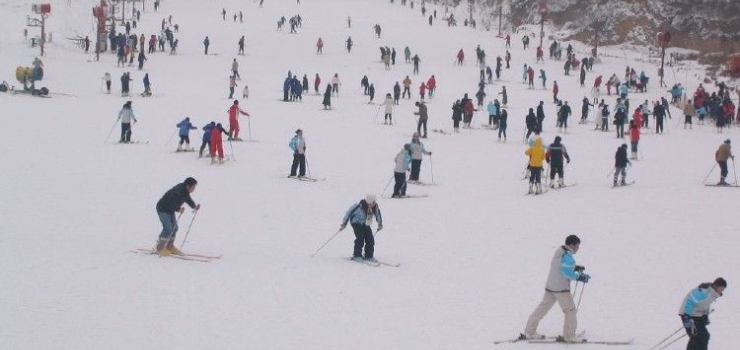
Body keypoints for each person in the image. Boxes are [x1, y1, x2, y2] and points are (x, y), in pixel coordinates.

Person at [522, 235, 589, 343]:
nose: (578, 248)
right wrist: (580, 276)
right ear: (572, 244)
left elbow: (560, 267)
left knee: (542, 308)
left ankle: (530, 331)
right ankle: (569, 335)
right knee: (570, 310)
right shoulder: (568, 257)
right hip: (561, 289)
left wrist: (575, 268)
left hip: (550, 287)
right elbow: (566, 272)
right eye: (577, 245)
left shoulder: (559, 253)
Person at [155, 178, 200, 256]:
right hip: (162, 209)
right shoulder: (177, 192)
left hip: (170, 210)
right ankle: (160, 248)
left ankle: (170, 246)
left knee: (174, 228)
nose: (194, 189)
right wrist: (179, 209)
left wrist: (194, 206)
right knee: (168, 228)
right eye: (193, 187)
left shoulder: (185, 191)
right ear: (188, 186)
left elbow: (187, 199)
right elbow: (170, 203)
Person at [679, 278, 727, 350]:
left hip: (697, 316)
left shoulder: (713, 294)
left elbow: (705, 306)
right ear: (716, 286)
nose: (722, 291)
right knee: (696, 336)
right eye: (721, 288)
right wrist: (686, 317)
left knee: (704, 336)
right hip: (688, 315)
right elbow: (690, 302)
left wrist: (705, 316)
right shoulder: (703, 291)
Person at [339, 195, 383, 262]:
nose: (372, 205)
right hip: (356, 222)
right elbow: (348, 213)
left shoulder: (375, 207)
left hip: (366, 223)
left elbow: (378, 214)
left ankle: (369, 255)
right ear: (367, 202)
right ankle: (357, 255)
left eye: (373, 203)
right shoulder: (358, 206)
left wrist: (380, 224)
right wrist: (344, 224)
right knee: (360, 238)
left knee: (370, 239)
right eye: (371, 203)